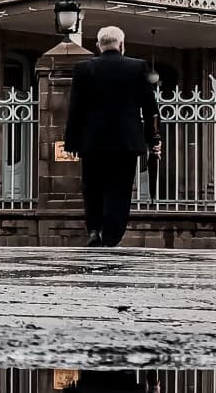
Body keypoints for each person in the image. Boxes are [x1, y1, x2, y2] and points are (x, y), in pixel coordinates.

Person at [62, 24, 161, 246]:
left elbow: (75, 109)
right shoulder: (138, 67)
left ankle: (94, 230)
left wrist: (73, 142)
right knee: (120, 188)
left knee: (93, 187)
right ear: (122, 45)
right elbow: (150, 108)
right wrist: (153, 139)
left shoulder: (83, 69)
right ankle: (111, 235)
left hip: (92, 141)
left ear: (98, 46)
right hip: (126, 142)